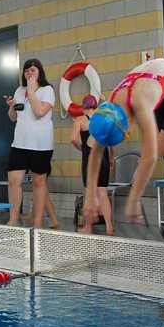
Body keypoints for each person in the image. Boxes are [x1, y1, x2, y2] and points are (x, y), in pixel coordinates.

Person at [84, 58, 164, 225]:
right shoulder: (109, 109)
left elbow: (150, 156)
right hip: (156, 82)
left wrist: (134, 200)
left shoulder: (140, 103)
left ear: (128, 129)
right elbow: (95, 152)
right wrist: (90, 197)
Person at [4, 58, 55, 229]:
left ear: (40, 72)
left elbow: (40, 111)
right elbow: (13, 118)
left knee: (39, 182)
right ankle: (13, 218)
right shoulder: (19, 90)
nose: (29, 72)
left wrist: (32, 92)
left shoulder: (47, 90)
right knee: (13, 179)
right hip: (19, 142)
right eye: (26, 70)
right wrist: (11, 106)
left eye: (33, 70)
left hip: (40, 144)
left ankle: (38, 222)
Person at [70, 94, 114, 234]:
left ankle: (88, 227)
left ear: (83, 109)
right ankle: (109, 228)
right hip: (104, 158)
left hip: (90, 159)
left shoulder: (80, 120)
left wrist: (80, 147)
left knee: (90, 194)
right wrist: (112, 158)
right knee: (103, 193)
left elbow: (73, 139)